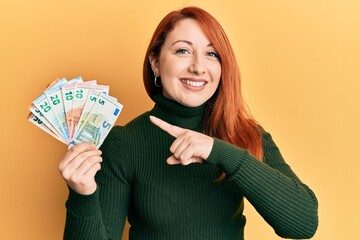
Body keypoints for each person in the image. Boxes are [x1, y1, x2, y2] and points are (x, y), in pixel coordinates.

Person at [58, 6, 318, 240]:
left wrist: (219, 151)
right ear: (155, 63)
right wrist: (83, 195)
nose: (198, 67)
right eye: (183, 51)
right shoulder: (123, 143)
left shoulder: (246, 134)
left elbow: (303, 225)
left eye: (212, 54)